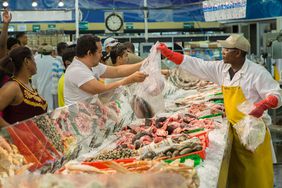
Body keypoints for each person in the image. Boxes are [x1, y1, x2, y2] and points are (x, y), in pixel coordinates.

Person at [158, 34, 281, 188]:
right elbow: (198, 65)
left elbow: (276, 94)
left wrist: (263, 105)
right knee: (237, 176)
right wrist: (170, 54)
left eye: (226, 49)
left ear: (238, 53)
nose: (223, 51)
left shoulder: (257, 72)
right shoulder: (222, 69)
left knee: (255, 177)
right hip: (234, 130)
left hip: (253, 133)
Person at [64, 34, 147, 105]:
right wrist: (128, 80)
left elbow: (117, 71)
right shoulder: (77, 71)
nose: (101, 56)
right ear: (89, 53)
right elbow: (101, 89)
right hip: (78, 119)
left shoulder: (92, 65)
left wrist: (143, 63)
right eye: (99, 52)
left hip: (91, 115)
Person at [0, 47, 47, 127]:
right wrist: (14, 131)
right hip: (18, 139)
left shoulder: (27, 85)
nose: (35, 63)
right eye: (34, 60)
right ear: (27, 61)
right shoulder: (13, 87)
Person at [32, 45, 62, 110]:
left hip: (39, 88)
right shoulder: (55, 61)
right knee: (52, 110)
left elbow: (33, 76)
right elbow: (61, 76)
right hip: (52, 91)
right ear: (52, 52)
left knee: (41, 108)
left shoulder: (36, 61)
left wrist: (34, 86)